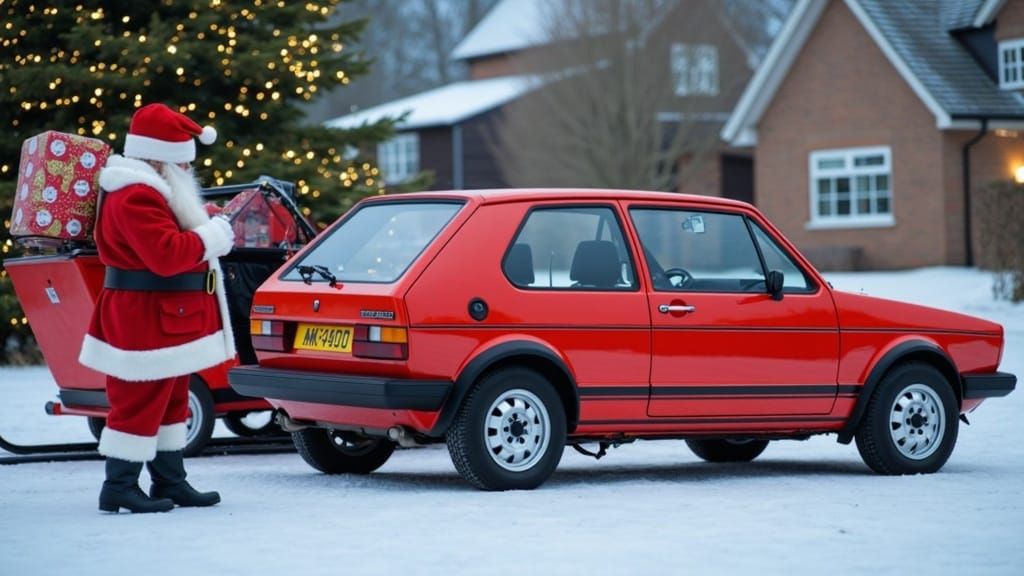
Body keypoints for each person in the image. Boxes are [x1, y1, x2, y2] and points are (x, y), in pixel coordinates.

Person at [78, 103, 237, 513]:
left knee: (170, 401)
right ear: (161, 159)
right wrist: (214, 236)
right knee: (138, 402)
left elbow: (170, 227)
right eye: (183, 163)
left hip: (161, 319)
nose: (187, 172)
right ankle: (119, 486)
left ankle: (170, 480)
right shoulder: (135, 195)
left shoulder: (149, 190)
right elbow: (166, 253)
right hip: (143, 320)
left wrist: (205, 220)